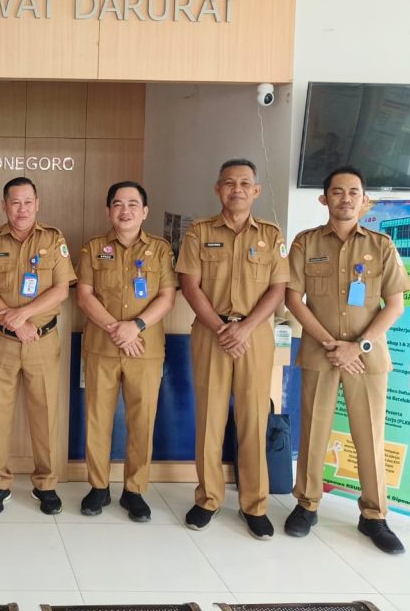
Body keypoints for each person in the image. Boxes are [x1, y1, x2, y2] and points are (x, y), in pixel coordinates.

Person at [284, 166, 410, 554]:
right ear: (324, 198)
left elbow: (395, 305)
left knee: (369, 435)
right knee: (314, 431)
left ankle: (374, 515)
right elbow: (293, 299)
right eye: (337, 191)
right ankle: (307, 505)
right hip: (320, 353)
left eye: (353, 192)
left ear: (364, 200)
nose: (346, 198)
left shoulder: (382, 245)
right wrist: (331, 343)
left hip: (366, 359)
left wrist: (357, 346)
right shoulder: (306, 243)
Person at [175, 158, 288, 539]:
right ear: (217, 189)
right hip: (212, 333)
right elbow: (190, 285)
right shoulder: (198, 232)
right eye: (228, 183)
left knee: (254, 419)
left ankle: (254, 505)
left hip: (254, 336)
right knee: (209, 418)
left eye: (244, 183)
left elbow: (278, 288)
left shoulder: (271, 235)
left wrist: (246, 328)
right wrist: (222, 327)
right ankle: (208, 499)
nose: (236, 189)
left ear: (256, 191)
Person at [0, 177, 76, 515]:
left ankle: (45, 483)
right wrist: (14, 324)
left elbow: (61, 289)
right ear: (4, 206)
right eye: (15, 203)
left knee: (45, 413)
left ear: (37, 204)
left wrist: (24, 316)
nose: (22, 209)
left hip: (41, 340)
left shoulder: (54, 239)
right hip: (1, 340)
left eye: (28, 202)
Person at [75, 181, 176, 521]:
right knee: (97, 419)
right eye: (118, 204)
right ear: (108, 210)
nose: (125, 210)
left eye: (133, 204)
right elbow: (84, 295)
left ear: (145, 211)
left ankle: (134, 490)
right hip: (101, 347)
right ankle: (98, 487)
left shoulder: (160, 249)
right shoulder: (93, 248)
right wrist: (116, 328)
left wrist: (137, 326)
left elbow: (167, 297)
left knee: (142, 420)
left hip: (144, 349)